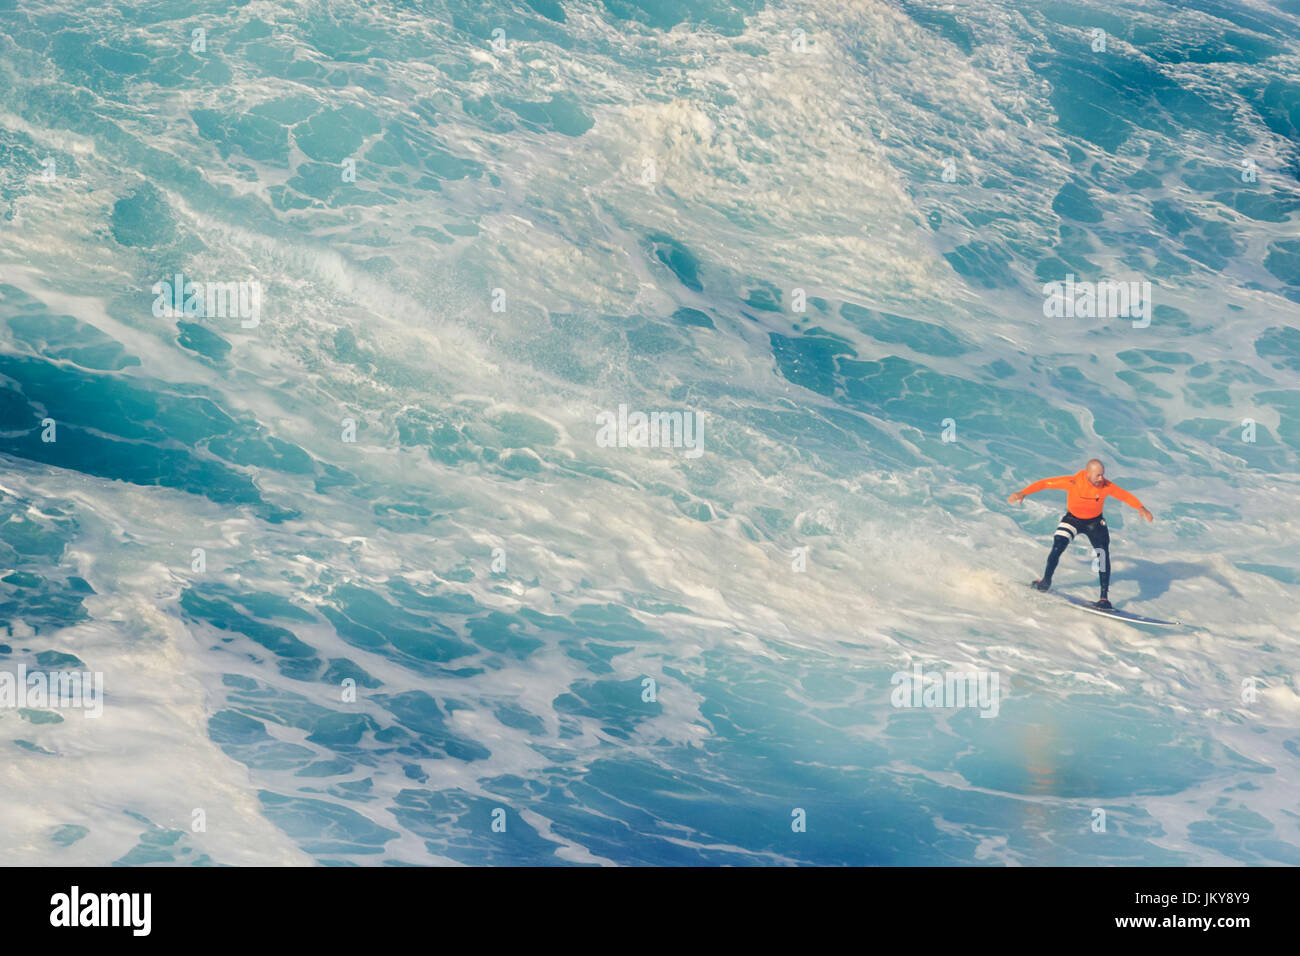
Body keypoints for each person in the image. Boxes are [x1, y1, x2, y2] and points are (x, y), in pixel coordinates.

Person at [1007, 459, 1153, 609]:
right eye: (1098, 475)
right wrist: (1023, 492)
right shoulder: (1073, 482)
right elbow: (1045, 483)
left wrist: (1141, 508)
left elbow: (1124, 495)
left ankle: (1104, 598)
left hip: (1095, 523)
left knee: (1102, 555)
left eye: (1102, 475)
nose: (1101, 479)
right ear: (1088, 474)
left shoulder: (1106, 486)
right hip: (1073, 519)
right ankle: (1045, 582)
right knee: (1057, 546)